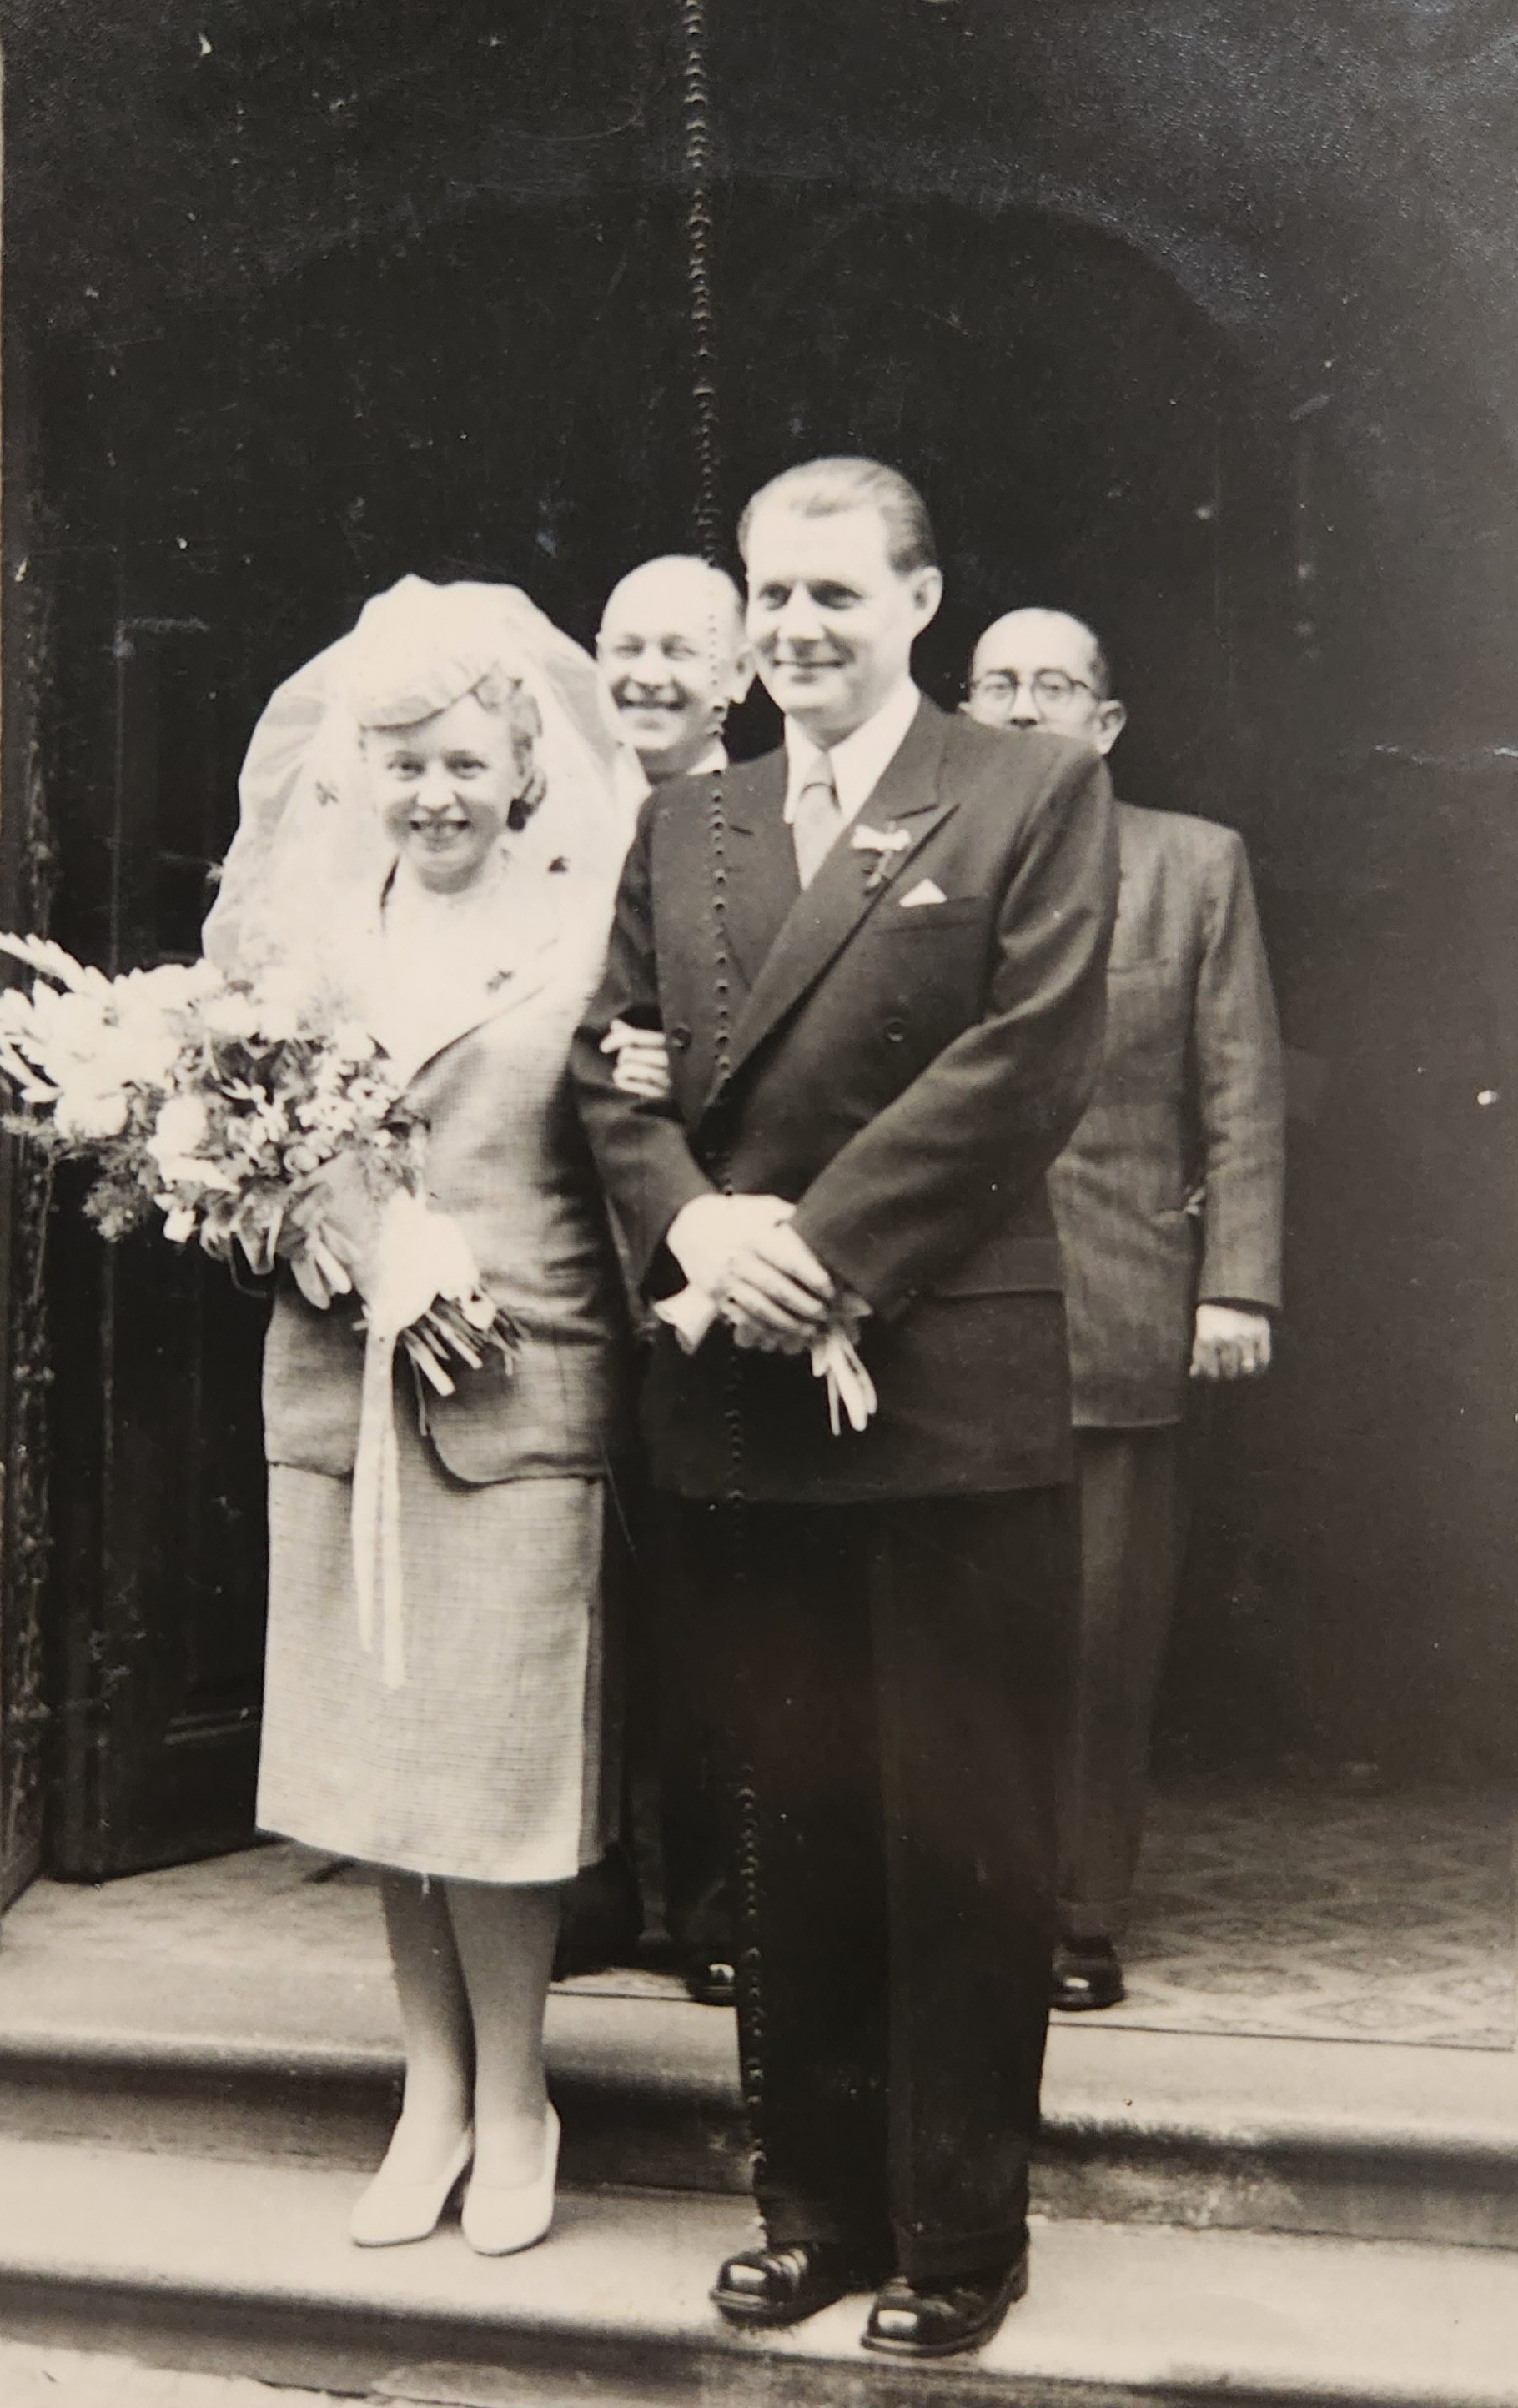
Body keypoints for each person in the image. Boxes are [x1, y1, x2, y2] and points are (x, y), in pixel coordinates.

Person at [572, 460, 1118, 2360]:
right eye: (772, 596)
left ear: (918, 602)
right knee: (786, 1814)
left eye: (834, 593)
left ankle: (961, 2228)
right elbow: (615, 1066)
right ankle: (812, 2208)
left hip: (942, 1380)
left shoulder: (1025, 788)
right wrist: (695, 1225)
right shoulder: (689, 818)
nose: (796, 627)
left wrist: (816, 1245)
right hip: (745, 1380)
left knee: (962, 1823)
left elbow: (1027, 1059)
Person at [204, 576, 636, 2259]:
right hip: (342, 1389)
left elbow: (621, 1165)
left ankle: (519, 2097)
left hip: (515, 1389)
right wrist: (321, 1233)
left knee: (493, 1767)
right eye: (404, 766)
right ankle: (430, 2093)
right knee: (384, 1764)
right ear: (360, 773)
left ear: (522, 768)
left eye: (462, 762)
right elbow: (232, 1167)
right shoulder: (301, 942)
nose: (434, 794)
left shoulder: (584, 929)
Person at [963, 607, 1285, 2012]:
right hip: (939, 1317)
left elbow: (1240, 1085)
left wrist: (1236, 1283)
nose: (1023, 706)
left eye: (1054, 685)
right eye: (997, 684)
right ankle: (958, 1904)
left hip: (1118, 1306)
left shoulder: (1192, 863)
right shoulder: (911, 862)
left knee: (1096, 1632)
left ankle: (1075, 1916)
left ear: (1104, 724)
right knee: (952, 1635)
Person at [586, 553, 756, 2009]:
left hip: (698, 1253)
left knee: (711, 1600)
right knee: (571, 1586)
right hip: (550, 1248)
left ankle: (717, 1901)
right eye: (620, 644)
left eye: (678, 651)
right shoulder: (544, 812)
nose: (644, 673)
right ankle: (585, 1884)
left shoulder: (760, 822)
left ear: (735, 679)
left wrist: (674, 1066)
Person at [596, 553, 755, 795]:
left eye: (678, 652)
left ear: (740, 672)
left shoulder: (779, 813)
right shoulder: (549, 806)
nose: (648, 676)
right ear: (600, 658)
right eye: (628, 649)